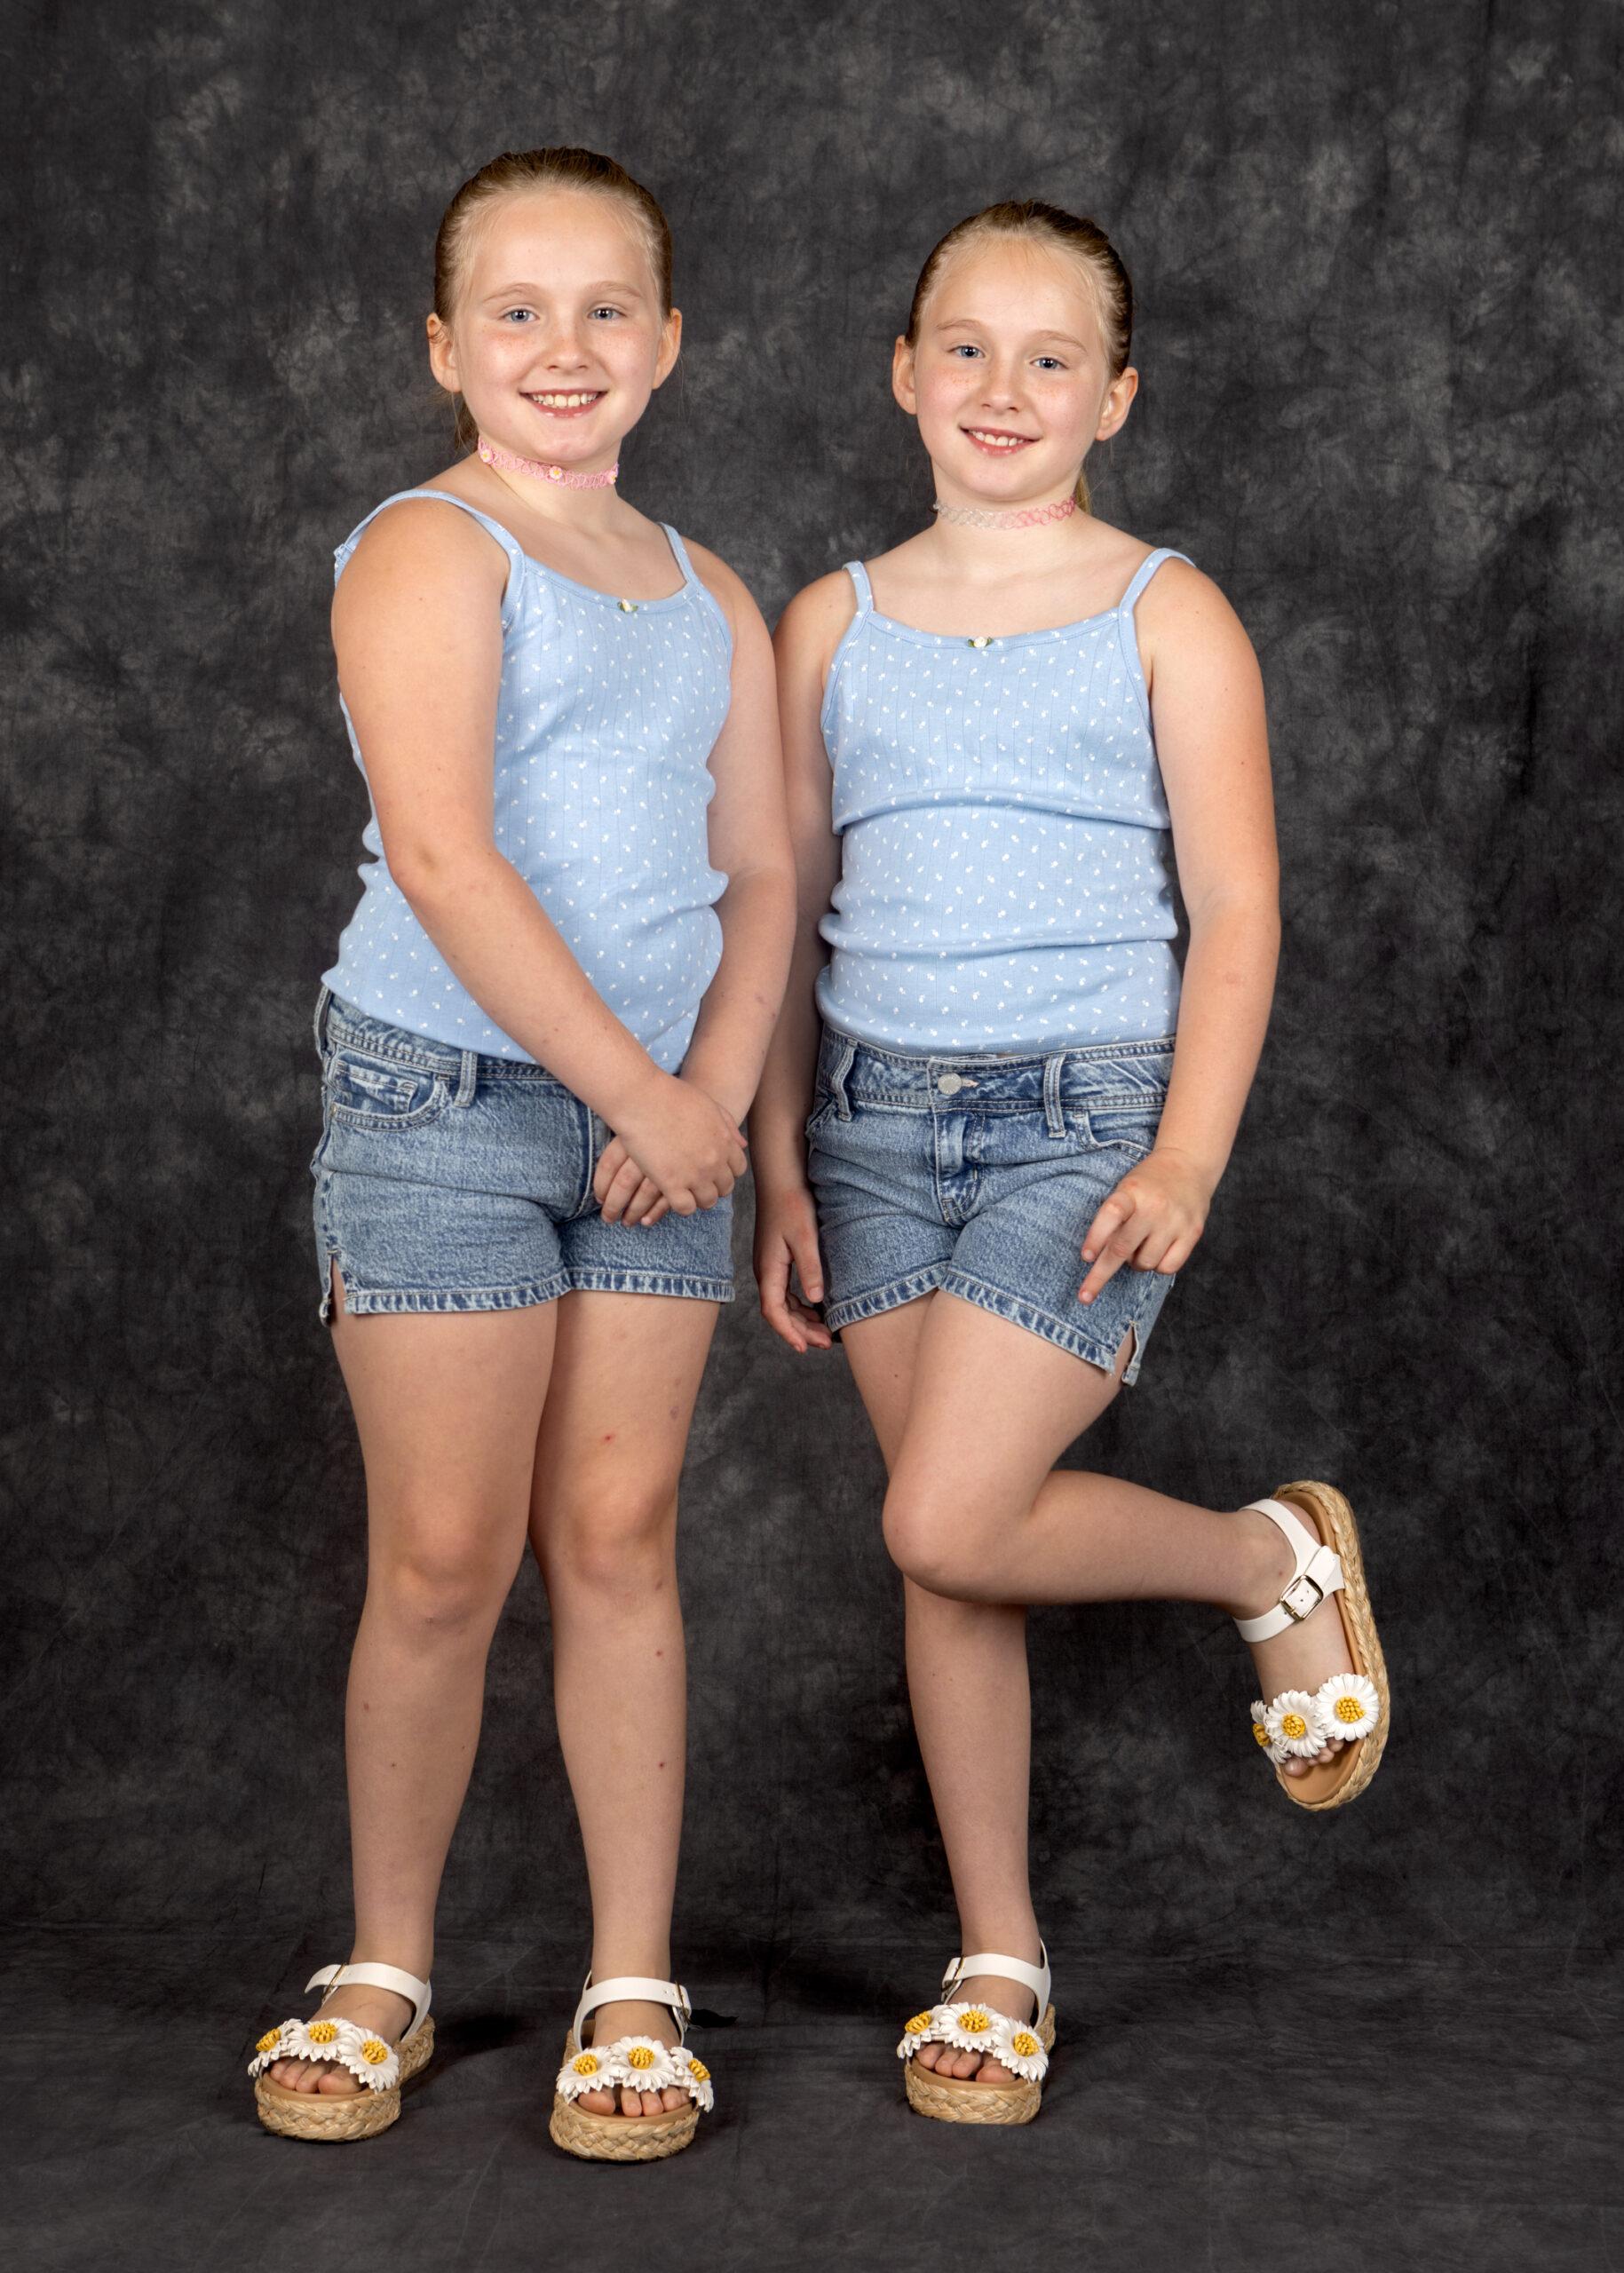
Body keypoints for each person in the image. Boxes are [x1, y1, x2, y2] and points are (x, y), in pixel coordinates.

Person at [751, 199, 1388, 2127]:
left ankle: (1261, 1558)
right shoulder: (830, 621)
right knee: (958, 1561)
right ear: (902, 372)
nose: (1001, 389)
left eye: (1050, 358)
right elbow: (788, 908)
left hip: (1089, 1115)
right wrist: (780, 1155)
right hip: (868, 1126)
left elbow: (1243, 908)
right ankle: (1001, 1952)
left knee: (945, 1514)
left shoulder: (1164, 607)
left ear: (1117, 392)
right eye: (964, 346)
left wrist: (1190, 1146)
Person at [245, 147, 792, 2161]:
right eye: (516, 312)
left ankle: (627, 1977)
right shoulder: (428, 546)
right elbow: (451, 856)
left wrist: (709, 1096)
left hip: (657, 1142)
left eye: (605, 310)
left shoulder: (709, 588)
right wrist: (639, 1092)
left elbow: (758, 871)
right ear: (443, 347)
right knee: (448, 1558)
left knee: (623, 1541)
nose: (565, 350)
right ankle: (388, 1959)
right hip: (447, 1107)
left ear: (668, 339)